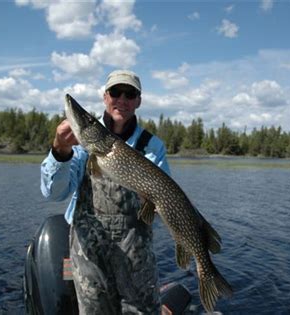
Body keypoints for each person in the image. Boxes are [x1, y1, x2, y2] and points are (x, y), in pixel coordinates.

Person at [40, 69, 170, 314]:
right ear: (105, 97)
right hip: (89, 256)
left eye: (129, 93)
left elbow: (164, 207)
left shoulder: (152, 147)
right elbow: (54, 193)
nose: (122, 99)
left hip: (136, 259)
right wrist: (60, 151)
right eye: (115, 92)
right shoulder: (81, 143)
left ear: (138, 101)